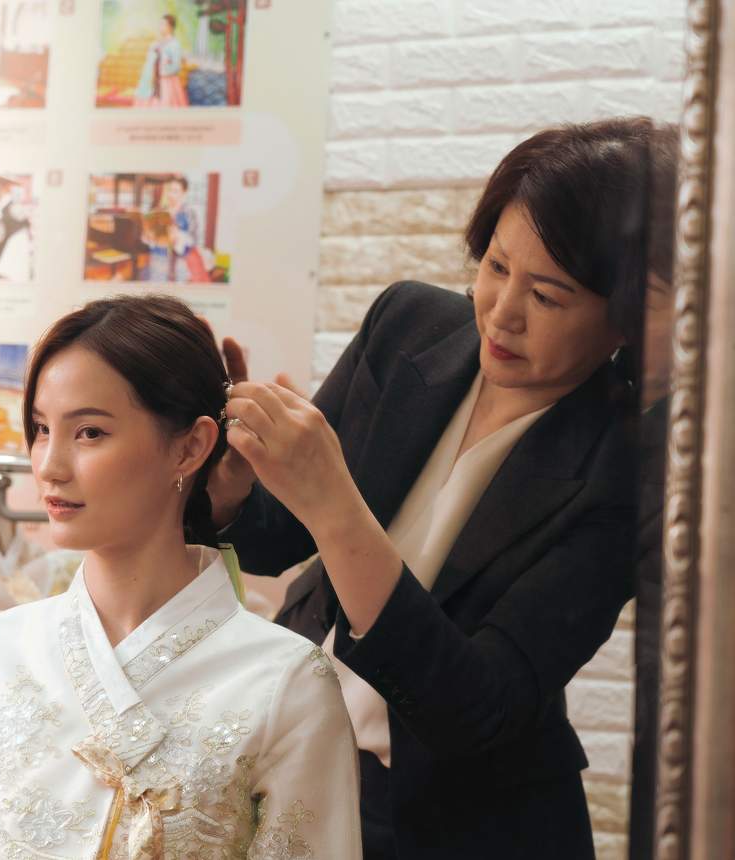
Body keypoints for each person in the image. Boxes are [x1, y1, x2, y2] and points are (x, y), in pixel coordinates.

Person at [211, 117, 677, 859]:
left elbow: (472, 706)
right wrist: (234, 490)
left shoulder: (628, 471)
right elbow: (274, 539)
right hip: (301, 759)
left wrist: (332, 504)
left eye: (548, 298)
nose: (501, 312)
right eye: (495, 267)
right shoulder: (408, 326)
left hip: (463, 824)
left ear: (620, 318)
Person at [0, 295, 361, 858]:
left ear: (190, 447)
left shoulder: (287, 683)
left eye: (89, 432)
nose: (49, 464)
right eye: (42, 429)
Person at [133, 14, 187, 108]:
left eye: (163, 25)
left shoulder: (174, 44)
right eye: (160, 24)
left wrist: (160, 72)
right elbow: (150, 62)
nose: (160, 27)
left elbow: (176, 66)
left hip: (167, 82)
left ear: (170, 27)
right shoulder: (156, 43)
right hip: (152, 81)